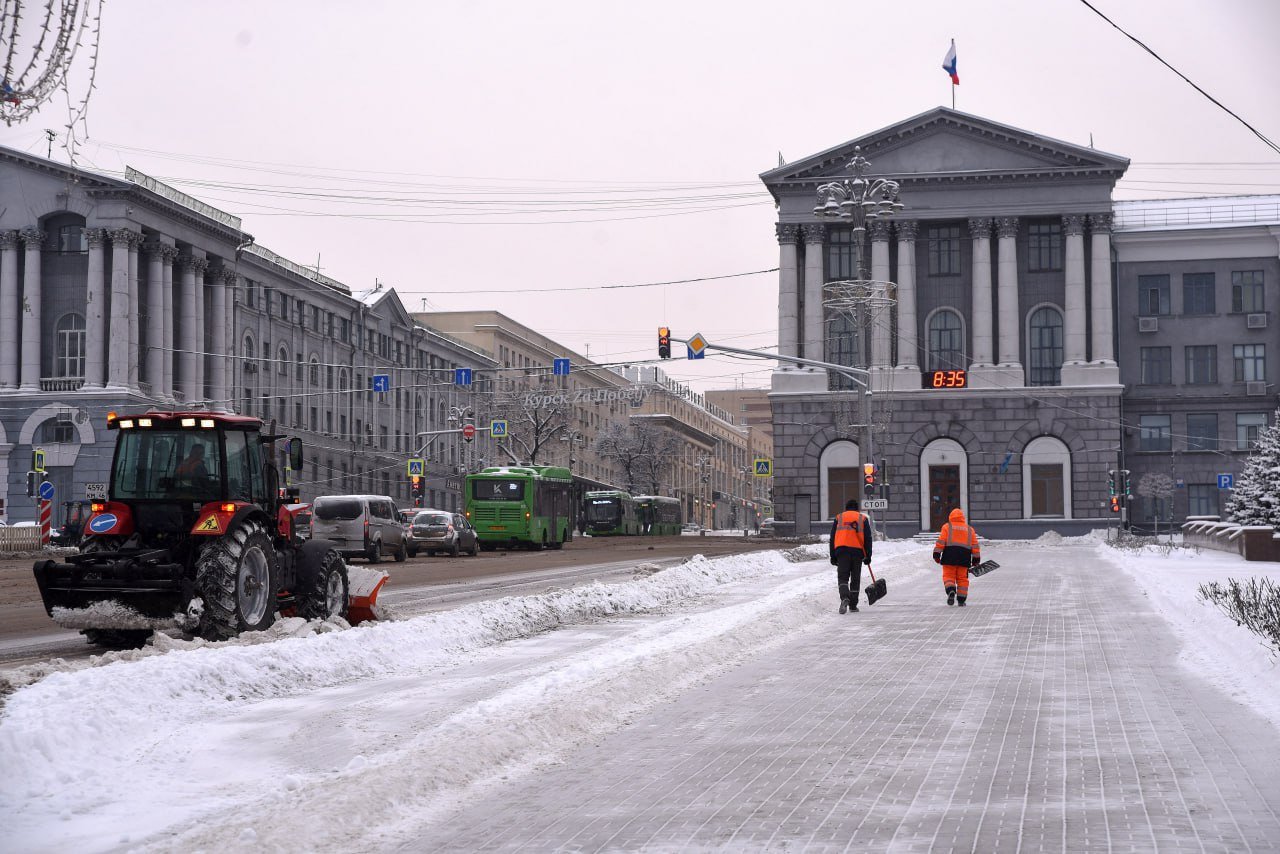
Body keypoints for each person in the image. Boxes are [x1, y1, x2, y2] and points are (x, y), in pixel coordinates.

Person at [829, 498, 872, 614]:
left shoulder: (839, 517)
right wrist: (868, 556)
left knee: (843, 577)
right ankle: (853, 605)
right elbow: (868, 538)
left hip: (842, 551)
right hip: (857, 552)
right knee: (855, 578)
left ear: (846, 508)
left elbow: (832, 538)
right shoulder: (862, 518)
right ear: (857, 508)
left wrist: (832, 555)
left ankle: (844, 597)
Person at [933, 506, 981, 606]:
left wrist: (937, 555)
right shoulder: (969, 529)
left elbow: (941, 542)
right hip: (964, 557)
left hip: (949, 556)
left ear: (950, 517)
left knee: (948, 576)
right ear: (963, 518)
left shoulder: (947, 527)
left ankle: (951, 590)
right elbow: (975, 545)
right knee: (962, 579)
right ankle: (961, 599)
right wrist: (976, 559)